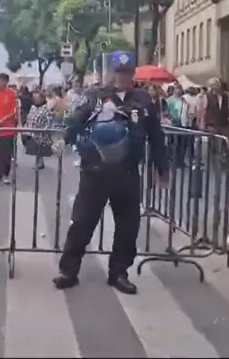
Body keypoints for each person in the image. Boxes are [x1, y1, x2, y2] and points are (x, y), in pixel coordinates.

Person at [53, 57, 169, 295]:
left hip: (127, 172)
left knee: (128, 226)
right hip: (96, 171)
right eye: (118, 72)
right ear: (109, 73)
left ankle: (119, 273)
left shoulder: (143, 99)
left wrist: (162, 168)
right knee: (82, 222)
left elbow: (156, 135)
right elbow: (77, 119)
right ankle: (69, 271)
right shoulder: (96, 96)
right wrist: (62, 139)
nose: (122, 78)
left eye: (127, 73)